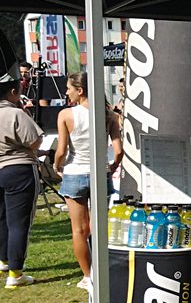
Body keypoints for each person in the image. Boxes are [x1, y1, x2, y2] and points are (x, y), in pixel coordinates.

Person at [54, 72, 123, 291]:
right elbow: (118, 151)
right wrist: (112, 166)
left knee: (79, 230)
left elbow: (61, 150)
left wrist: (56, 165)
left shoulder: (66, 114)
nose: (66, 92)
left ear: (80, 90)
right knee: (98, 227)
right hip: (101, 172)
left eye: (69, 88)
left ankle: (87, 276)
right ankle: (102, 271)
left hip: (75, 172)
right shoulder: (109, 115)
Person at [0, 78, 43, 289]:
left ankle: (4, 260)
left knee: (2, 218)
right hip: (19, 168)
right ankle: (15, 273)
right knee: (19, 222)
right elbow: (35, 141)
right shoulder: (16, 113)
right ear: (13, 92)